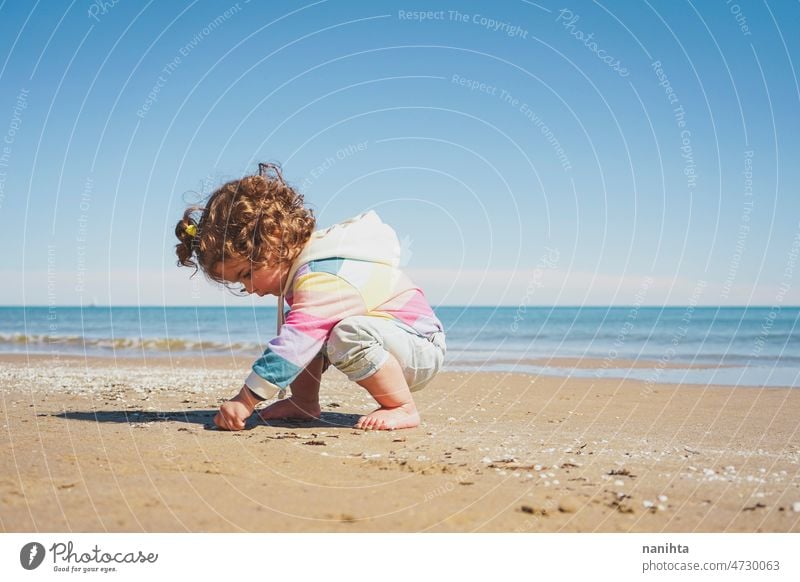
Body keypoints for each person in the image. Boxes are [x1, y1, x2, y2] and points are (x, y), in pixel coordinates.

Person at [174, 162, 446, 431]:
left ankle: (402, 407)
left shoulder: (320, 276)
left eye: (246, 273)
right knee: (305, 324)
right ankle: (304, 403)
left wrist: (246, 399)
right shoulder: (305, 270)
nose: (250, 289)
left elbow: (295, 342)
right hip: (395, 342)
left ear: (274, 240)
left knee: (329, 332)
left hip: (419, 347)